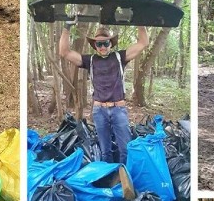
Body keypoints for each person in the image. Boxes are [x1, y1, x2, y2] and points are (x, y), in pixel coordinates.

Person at [59, 22, 148, 164]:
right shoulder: (90, 60)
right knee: (105, 150)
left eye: (105, 43)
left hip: (118, 109)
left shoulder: (120, 57)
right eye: (99, 44)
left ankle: (124, 178)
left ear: (110, 44)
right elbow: (64, 52)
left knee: (125, 148)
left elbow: (143, 43)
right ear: (95, 46)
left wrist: (139, 23)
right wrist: (67, 28)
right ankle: (109, 178)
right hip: (99, 110)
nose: (102, 47)